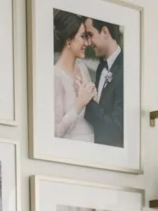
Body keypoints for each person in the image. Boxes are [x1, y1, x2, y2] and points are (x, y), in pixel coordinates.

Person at [52, 11, 95, 143]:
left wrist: (92, 93)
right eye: (83, 37)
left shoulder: (82, 68)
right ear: (69, 40)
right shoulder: (56, 76)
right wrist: (78, 104)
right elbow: (56, 132)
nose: (87, 43)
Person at [82, 17, 123, 147]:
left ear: (105, 32)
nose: (88, 42)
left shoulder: (125, 70)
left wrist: (88, 102)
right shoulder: (101, 67)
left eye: (90, 35)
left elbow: (116, 129)